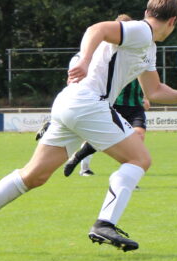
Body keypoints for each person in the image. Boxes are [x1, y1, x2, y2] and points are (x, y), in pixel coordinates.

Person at [0, 0, 177, 254]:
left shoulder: (148, 46)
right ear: (173, 21)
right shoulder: (141, 31)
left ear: (147, 11)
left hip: (71, 103)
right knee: (139, 159)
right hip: (89, 102)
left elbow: (153, 90)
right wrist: (84, 61)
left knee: (34, 175)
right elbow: (96, 29)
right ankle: (105, 223)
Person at [63, 15, 150, 177]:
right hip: (113, 103)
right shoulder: (107, 51)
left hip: (135, 105)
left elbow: (146, 79)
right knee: (101, 137)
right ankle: (80, 160)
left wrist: (146, 96)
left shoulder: (141, 49)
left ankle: (127, 175)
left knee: (138, 137)